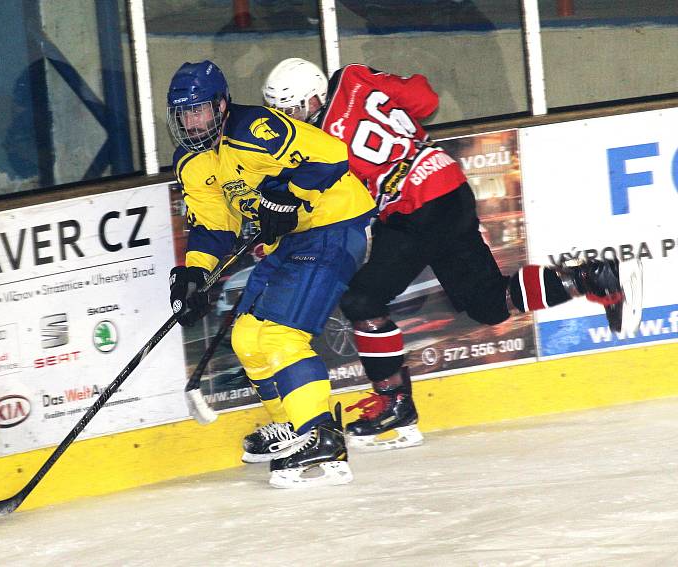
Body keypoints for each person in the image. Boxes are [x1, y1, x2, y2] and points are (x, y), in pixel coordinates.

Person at [261, 58, 643, 451]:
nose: (287, 118)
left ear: (314, 97)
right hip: (442, 187)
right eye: (280, 111)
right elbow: (425, 100)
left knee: (363, 298)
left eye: (291, 109)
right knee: (489, 305)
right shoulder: (354, 76)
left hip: (418, 205)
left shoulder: (315, 146)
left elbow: (326, 199)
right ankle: (592, 277)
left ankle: (394, 403)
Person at [166, 60, 377, 487]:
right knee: (247, 335)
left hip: (333, 227)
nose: (191, 122)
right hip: (292, 240)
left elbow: (331, 155)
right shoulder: (191, 162)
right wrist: (194, 274)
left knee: (281, 336)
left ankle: (321, 437)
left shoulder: (255, 128)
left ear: (222, 105)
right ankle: (291, 426)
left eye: (199, 111)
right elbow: (213, 225)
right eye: (183, 114)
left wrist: (289, 199)